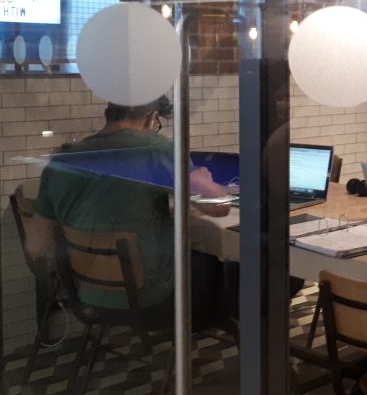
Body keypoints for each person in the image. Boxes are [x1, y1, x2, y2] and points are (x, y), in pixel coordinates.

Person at [27, 96, 230, 330]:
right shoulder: (154, 149)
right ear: (152, 118)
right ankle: (229, 340)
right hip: (150, 299)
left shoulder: (61, 161)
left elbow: (36, 246)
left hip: (86, 295)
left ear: (107, 115)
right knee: (220, 263)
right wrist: (203, 179)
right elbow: (220, 207)